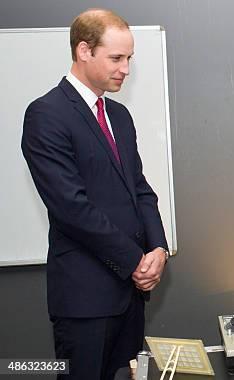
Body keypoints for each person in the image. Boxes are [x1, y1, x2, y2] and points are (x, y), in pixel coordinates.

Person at [21, 9, 169, 380]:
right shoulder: (46, 114)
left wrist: (158, 249)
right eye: (116, 58)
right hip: (85, 299)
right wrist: (135, 261)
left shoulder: (119, 116)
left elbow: (140, 189)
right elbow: (72, 208)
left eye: (129, 58)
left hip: (129, 297)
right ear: (84, 50)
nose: (126, 69)